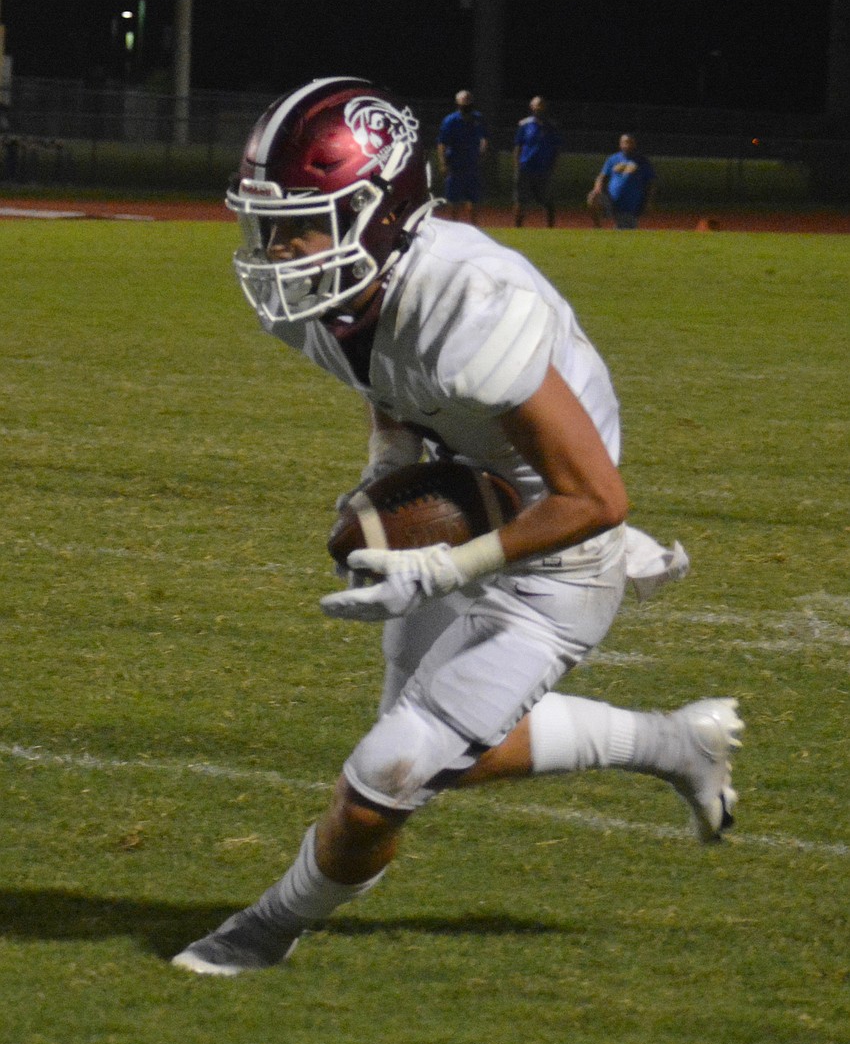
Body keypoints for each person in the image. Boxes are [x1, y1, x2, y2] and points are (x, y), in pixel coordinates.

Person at [172, 77, 743, 977]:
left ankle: (265, 930)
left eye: (303, 221)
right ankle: (673, 743)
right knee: (434, 755)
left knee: (384, 779)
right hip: (477, 498)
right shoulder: (336, 297)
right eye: (267, 223)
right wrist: (389, 473)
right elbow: (391, 387)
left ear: (383, 210)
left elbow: (596, 496)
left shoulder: (470, 299)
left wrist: (444, 568)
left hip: (564, 548)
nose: (277, 248)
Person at [436, 89, 488, 224]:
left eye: (469, 102)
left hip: (472, 163)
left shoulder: (478, 118)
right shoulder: (450, 121)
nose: (467, 105)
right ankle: (454, 225)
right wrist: (443, 163)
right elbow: (442, 143)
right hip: (455, 164)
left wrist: (482, 151)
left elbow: (484, 138)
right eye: (464, 102)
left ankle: (474, 226)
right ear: (458, 104)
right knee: (453, 199)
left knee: (473, 198)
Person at [588, 133, 656, 229]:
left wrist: (648, 202)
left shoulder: (642, 161)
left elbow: (650, 183)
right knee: (592, 198)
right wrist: (597, 189)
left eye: (630, 143)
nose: (627, 145)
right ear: (620, 144)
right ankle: (597, 226)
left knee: (624, 231)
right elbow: (601, 177)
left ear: (634, 144)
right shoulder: (612, 159)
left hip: (630, 206)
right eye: (625, 142)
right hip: (611, 201)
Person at [513, 96, 562, 228]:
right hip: (526, 168)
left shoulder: (551, 126)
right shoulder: (524, 125)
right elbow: (518, 146)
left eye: (541, 105)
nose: (538, 108)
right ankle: (517, 227)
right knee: (521, 200)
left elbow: (556, 148)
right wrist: (518, 166)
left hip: (544, 169)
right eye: (536, 105)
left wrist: (553, 166)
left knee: (547, 200)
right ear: (531, 107)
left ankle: (550, 227)